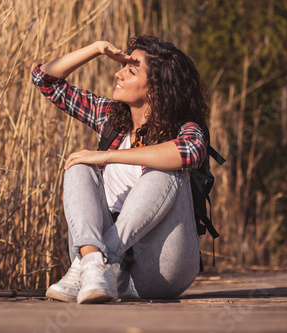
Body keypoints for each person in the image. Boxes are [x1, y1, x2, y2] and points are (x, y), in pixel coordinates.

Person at [32, 35, 208, 304]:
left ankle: (98, 258)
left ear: (156, 88)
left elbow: (190, 152)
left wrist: (108, 155)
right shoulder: (111, 117)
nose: (119, 73)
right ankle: (91, 262)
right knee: (79, 165)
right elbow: (45, 80)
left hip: (160, 270)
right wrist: (95, 49)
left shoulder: (184, 128)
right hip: (102, 278)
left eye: (131, 70)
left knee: (164, 168)